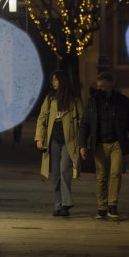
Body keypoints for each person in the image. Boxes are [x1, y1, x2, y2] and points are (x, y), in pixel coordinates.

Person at [79, 72, 129, 219]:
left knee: (115, 173)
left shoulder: (122, 101)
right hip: (99, 143)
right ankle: (101, 206)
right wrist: (82, 145)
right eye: (98, 86)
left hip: (117, 143)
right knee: (101, 177)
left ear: (111, 86)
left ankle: (112, 205)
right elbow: (85, 124)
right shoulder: (92, 102)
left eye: (104, 87)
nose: (100, 89)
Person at [35, 70, 83, 217]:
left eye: (56, 80)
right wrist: (39, 138)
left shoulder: (74, 100)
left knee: (64, 170)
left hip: (70, 141)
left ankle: (66, 204)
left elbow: (82, 122)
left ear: (63, 81)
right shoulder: (50, 99)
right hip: (53, 140)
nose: (54, 83)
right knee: (55, 173)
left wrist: (82, 144)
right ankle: (58, 204)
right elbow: (41, 119)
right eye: (52, 80)